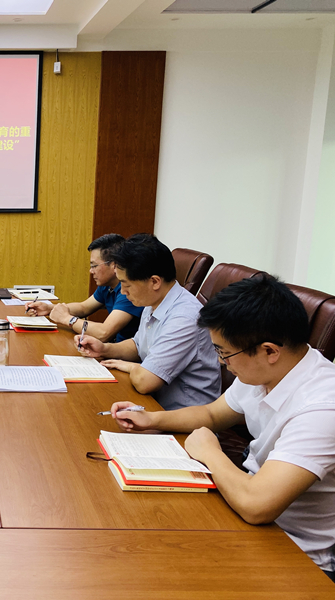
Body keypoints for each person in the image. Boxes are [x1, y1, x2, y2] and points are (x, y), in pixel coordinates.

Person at [108, 275, 335, 580]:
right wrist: (152, 419)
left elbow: (256, 505)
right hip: (243, 505)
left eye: (224, 353)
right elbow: (212, 415)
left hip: (295, 553)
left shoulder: (321, 407)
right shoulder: (266, 372)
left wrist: (210, 453)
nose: (221, 363)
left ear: (270, 351)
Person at [77, 233, 220, 410]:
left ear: (154, 282)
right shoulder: (154, 300)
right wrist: (105, 349)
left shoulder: (184, 318)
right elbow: (139, 345)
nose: (123, 292)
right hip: (153, 404)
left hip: (183, 417)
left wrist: (128, 366)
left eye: (126, 285)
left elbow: (145, 382)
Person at [25, 233, 143, 342]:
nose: (91, 271)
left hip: (126, 354)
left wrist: (67, 319)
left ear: (114, 265)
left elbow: (104, 333)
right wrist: (49, 308)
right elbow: (84, 308)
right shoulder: (107, 285)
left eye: (94, 266)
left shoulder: (128, 290)